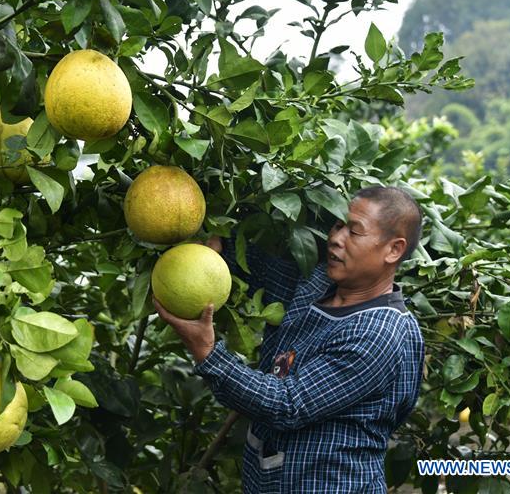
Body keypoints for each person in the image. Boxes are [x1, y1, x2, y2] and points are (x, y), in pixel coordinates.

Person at [154, 186, 425, 493]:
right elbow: (256, 268)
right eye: (338, 225)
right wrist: (216, 246)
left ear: (393, 249)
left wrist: (207, 352)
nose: (336, 238)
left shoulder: (380, 332)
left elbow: (287, 404)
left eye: (354, 231)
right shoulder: (317, 284)